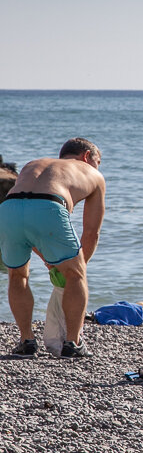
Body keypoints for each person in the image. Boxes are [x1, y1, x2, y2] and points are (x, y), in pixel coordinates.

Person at [0, 138, 106, 358]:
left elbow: (29, 223)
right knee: (76, 275)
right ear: (87, 157)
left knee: (17, 274)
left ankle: (26, 342)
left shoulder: (34, 164)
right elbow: (91, 232)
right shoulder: (92, 174)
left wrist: (51, 261)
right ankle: (72, 344)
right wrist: (77, 267)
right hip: (49, 205)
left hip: (8, 208)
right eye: (98, 162)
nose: (97, 168)